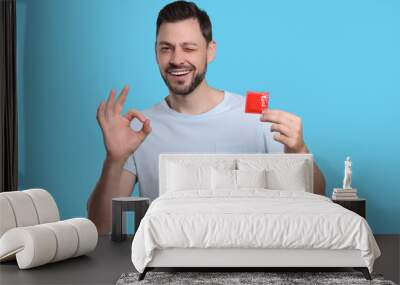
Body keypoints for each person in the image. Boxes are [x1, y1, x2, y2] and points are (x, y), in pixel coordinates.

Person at [87, 1, 326, 234]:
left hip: (248, 262)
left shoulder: (254, 116)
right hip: (164, 266)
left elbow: (316, 196)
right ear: (156, 53)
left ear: (210, 51)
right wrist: (114, 160)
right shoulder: (139, 130)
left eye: (189, 48)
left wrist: (300, 150)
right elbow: (100, 226)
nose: (176, 59)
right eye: (166, 48)